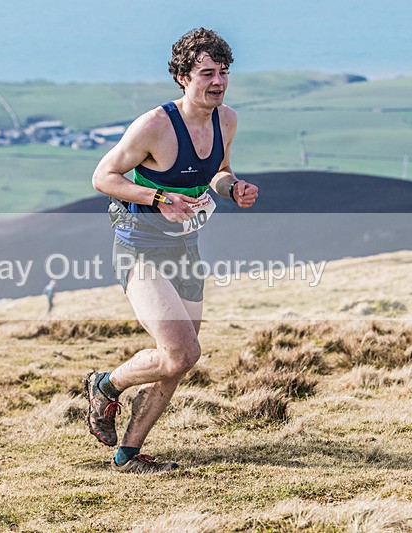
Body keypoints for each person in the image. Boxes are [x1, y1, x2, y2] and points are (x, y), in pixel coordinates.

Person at [85, 28, 258, 473]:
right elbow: (103, 177)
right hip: (138, 248)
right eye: (206, 73)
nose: (217, 82)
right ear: (183, 77)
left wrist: (232, 187)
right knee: (181, 351)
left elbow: (217, 171)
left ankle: (128, 454)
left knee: (177, 360)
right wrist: (160, 199)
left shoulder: (227, 120)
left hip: (185, 249)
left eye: (223, 73)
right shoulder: (155, 126)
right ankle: (106, 385)